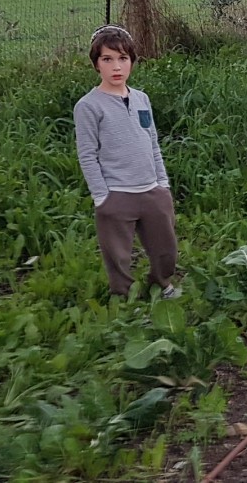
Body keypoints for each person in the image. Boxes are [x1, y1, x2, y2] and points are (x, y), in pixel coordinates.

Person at [74, 24, 180, 298]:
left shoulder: (142, 99)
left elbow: (153, 142)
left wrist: (162, 183)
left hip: (151, 190)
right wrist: (101, 197)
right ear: (96, 64)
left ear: (132, 61)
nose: (116, 67)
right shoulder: (88, 106)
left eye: (122, 58)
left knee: (166, 249)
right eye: (107, 59)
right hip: (117, 194)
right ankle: (123, 298)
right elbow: (87, 154)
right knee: (118, 255)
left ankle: (161, 283)